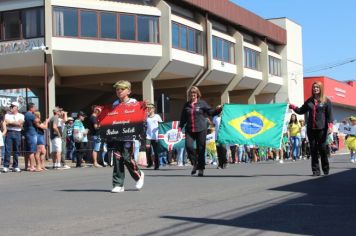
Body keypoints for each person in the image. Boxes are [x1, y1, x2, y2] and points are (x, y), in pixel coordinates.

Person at [289, 81, 333, 176]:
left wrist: (330, 127)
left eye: (317, 87)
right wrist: (292, 106)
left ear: (320, 88)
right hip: (311, 129)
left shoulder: (326, 101)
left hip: (322, 128)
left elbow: (329, 115)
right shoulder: (309, 101)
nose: (315, 89)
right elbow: (301, 110)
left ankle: (325, 168)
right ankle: (315, 171)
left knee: (322, 149)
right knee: (313, 149)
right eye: (314, 87)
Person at [110, 80, 145, 193]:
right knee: (117, 159)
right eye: (117, 89)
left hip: (129, 136)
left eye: (122, 89)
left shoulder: (134, 103)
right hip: (117, 136)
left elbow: (140, 118)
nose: (119, 91)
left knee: (127, 158)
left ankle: (139, 175)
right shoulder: (115, 104)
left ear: (128, 91)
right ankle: (118, 184)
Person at [179, 86, 221, 176]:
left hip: (201, 129)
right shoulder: (186, 105)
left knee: (201, 149)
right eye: (191, 93)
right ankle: (195, 163)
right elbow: (183, 118)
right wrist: (180, 127)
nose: (193, 94)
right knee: (189, 146)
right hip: (190, 129)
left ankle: (201, 169)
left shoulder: (202, 103)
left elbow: (211, 112)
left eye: (194, 93)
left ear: (197, 94)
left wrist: (219, 110)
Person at [3, 102, 24, 173]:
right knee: (7, 150)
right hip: (9, 133)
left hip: (17, 133)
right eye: (11, 106)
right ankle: (6, 166)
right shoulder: (7, 115)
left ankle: (15, 166)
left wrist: (11, 123)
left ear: (17, 108)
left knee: (16, 150)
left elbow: (20, 123)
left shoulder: (21, 115)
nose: (11, 107)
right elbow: (6, 122)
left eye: (13, 106)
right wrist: (15, 123)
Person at [145, 103, 162, 170]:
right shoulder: (146, 117)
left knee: (156, 151)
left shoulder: (157, 116)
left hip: (156, 136)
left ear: (153, 109)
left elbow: (161, 125)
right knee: (147, 149)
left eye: (150, 108)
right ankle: (150, 163)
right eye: (148, 108)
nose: (149, 109)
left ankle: (157, 165)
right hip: (148, 136)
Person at [24, 103, 39, 171]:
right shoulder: (30, 115)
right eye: (34, 107)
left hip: (27, 133)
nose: (35, 109)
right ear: (31, 108)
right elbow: (37, 121)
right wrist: (38, 118)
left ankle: (27, 166)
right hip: (32, 133)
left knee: (27, 151)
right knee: (32, 151)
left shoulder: (26, 114)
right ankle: (32, 166)